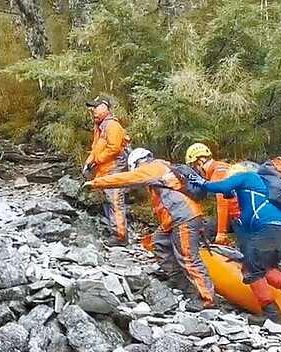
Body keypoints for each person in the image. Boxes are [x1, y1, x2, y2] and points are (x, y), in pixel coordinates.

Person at [83, 148, 217, 310]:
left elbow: (126, 179)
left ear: (135, 164)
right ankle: (181, 282)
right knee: (158, 242)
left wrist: (96, 183)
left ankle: (207, 299)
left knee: (189, 257)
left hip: (183, 218)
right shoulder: (163, 167)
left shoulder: (151, 168)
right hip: (177, 218)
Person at [189, 162, 281, 323]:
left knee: (250, 271)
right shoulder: (255, 199)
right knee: (263, 268)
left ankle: (272, 315)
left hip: (269, 229)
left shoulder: (248, 177)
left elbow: (223, 187)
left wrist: (200, 182)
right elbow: (242, 228)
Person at [83, 94, 130, 246]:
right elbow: (96, 148)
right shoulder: (100, 126)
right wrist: (89, 162)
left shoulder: (112, 125)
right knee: (108, 201)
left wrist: (97, 160)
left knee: (115, 201)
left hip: (114, 170)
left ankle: (121, 236)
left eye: (96, 106)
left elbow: (114, 148)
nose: (93, 110)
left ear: (105, 107)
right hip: (104, 171)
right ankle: (114, 231)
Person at [184, 143, 243, 249]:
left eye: (195, 166)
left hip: (240, 215)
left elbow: (223, 203)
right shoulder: (223, 167)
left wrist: (221, 232)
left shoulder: (218, 172)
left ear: (201, 162)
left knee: (209, 232)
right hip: (245, 212)